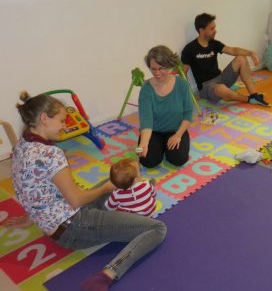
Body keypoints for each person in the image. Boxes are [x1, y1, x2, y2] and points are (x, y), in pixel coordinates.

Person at [10, 91, 167, 291]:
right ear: (44, 118)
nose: (65, 126)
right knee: (157, 228)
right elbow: (75, 200)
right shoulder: (51, 154)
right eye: (61, 120)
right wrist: (103, 189)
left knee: (115, 181)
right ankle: (108, 274)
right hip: (73, 226)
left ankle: (127, 203)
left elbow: (28, 185)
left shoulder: (22, 145)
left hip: (55, 223)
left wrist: (30, 217)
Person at [181, 13, 269, 106]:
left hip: (221, 78)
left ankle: (254, 94)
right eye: (211, 29)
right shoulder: (189, 49)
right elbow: (183, 72)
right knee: (221, 89)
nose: (215, 31)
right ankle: (248, 99)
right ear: (201, 30)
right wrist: (189, 94)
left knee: (241, 58)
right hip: (206, 86)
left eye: (214, 28)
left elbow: (233, 50)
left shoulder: (214, 43)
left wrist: (251, 53)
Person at [138, 45, 194, 168]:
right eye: (153, 69)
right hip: (154, 131)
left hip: (176, 129)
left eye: (161, 68)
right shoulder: (146, 90)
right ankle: (158, 146)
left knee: (178, 159)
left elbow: (188, 114)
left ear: (169, 65)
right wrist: (144, 143)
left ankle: (166, 146)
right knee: (147, 161)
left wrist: (178, 135)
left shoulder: (182, 85)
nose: (157, 73)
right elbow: (146, 120)